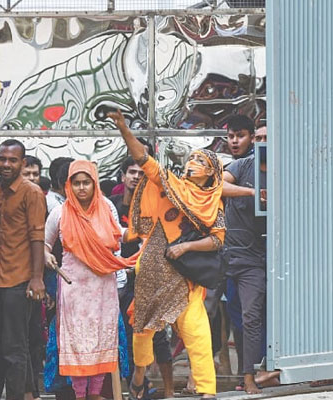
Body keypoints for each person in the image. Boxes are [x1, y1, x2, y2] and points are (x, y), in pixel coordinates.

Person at [109, 109, 242, 400]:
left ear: (211, 173)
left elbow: (217, 240)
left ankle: (207, 391)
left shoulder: (212, 203)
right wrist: (122, 127)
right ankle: (140, 375)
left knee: (197, 334)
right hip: (152, 271)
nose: (192, 163)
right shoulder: (169, 184)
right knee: (142, 334)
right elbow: (143, 160)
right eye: (191, 158)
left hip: (185, 279)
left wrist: (186, 247)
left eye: (201, 161)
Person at [44, 160, 135, 400]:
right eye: (77, 183)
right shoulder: (60, 212)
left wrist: (139, 230)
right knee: (77, 341)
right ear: (68, 185)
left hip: (103, 284)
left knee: (100, 339)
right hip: (73, 287)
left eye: (87, 183)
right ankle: (80, 395)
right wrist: (46, 257)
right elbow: (45, 243)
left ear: (95, 184)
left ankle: (95, 394)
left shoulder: (106, 207)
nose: (82, 188)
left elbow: (119, 234)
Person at [0, 139, 46, 400]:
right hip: (3, 278)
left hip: (21, 280)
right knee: (4, 347)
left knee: (15, 349)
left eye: (12, 160)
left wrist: (37, 278)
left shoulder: (31, 192)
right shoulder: (1, 189)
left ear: (22, 163)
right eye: (2, 159)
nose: (6, 164)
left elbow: (37, 237)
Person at [109, 157, 175, 399]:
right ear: (123, 176)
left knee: (157, 336)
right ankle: (138, 388)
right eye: (132, 172)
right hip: (120, 279)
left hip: (149, 278)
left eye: (141, 173)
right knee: (126, 336)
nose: (136, 176)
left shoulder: (153, 207)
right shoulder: (113, 206)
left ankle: (169, 391)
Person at [222, 122, 275, 394]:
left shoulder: (285, 167)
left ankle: (259, 372)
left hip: (274, 257)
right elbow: (219, 187)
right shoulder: (243, 166)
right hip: (237, 259)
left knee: (259, 316)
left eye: (269, 137)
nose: (264, 141)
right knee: (242, 318)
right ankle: (250, 373)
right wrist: (253, 193)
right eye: (260, 137)